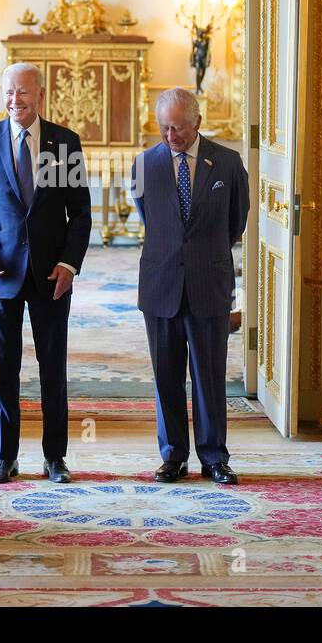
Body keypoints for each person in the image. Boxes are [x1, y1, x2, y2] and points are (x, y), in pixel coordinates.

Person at [0, 63, 92, 483]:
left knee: (53, 368)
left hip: (53, 275)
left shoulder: (64, 144)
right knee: (3, 368)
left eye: (24, 93)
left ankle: (55, 458)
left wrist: (69, 263)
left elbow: (80, 213)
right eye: (9, 93)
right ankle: (6, 456)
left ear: (41, 95)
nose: (16, 100)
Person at [131, 88, 249, 485]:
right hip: (161, 283)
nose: (171, 136)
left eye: (178, 127)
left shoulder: (228, 163)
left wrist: (202, 253)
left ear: (197, 122)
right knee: (166, 377)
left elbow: (237, 222)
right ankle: (173, 457)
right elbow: (152, 219)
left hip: (209, 282)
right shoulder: (145, 164)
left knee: (209, 375)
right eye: (164, 127)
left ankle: (214, 457)